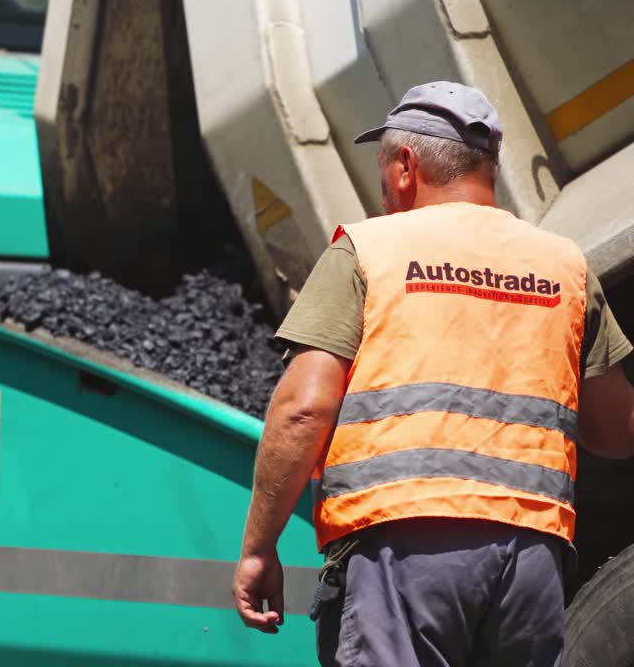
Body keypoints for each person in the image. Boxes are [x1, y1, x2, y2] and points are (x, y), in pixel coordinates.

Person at [231, 81, 634, 665]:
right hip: (531, 557)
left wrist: (258, 547)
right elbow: (617, 431)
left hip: (405, 549)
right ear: (487, 168)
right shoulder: (565, 268)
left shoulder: (370, 251)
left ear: (405, 165)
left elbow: (303, 408)